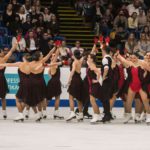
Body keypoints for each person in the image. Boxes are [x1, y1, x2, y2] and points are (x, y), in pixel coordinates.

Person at [116, 52, 150, 124]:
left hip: (141, 85)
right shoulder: (129, 63)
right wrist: (118, 55)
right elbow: (123, 60)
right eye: (131, 58)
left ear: (137, 57)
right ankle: (128, 115)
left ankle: (148, 116)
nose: (132, 59)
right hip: (132, 85)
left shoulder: (143, 63)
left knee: (145, 101)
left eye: (134, 58)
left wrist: (146, 72)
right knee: (129, 101)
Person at [28, 47, 56, 121]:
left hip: (32, 82)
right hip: (41, 82)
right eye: (41, 54)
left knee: (35, 99)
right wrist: (55, 47)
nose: (43, 55)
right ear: (39, 56)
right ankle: (41, 113)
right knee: (41, 98)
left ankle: (38, 114)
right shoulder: (42, 61)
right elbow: (50, 53)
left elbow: (27, 73)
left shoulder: (30, 64)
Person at [0, 43, 17, 119]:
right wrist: (15, 45)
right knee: (3, 98)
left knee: (3, 98)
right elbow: (11, 51)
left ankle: (4, 113)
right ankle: (4, 113)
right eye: (2, 52)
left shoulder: (4, 59)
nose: (3, 52)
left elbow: (10, 52)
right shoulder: (4, 59)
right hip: (2, 79)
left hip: (2, 79)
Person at [46, 48, 64, 119]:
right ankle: (56, 113)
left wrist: (52, 78)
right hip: (55, 81)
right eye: (53, 56)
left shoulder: (52, 64)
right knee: (57, 98)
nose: (55, 56)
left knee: (48, 98)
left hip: (52, 81)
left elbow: (48, 73)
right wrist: (58, 48)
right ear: (52, 58)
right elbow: (57, 54)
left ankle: (42, 112)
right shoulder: (53, 62)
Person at [66, 50, 83, 122]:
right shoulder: (80, 61)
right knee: (79, 98)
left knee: (71, 97)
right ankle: (81, 114)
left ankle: (72, 113)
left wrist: (69, 80)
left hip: (74, 80)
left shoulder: (74, 62)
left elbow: (72, 71)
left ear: (74, 54)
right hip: (79, 79)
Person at [86, 54, 102, 123]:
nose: (88, 58)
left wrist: (97, 80)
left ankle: (96, 116)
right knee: (93, 100)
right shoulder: (90, 64)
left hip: (95, 85)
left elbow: (99, 72)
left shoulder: (92, 65)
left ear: (92, 59)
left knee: (92, 100)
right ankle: (98, 115)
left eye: (89, 57)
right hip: (92, 85)